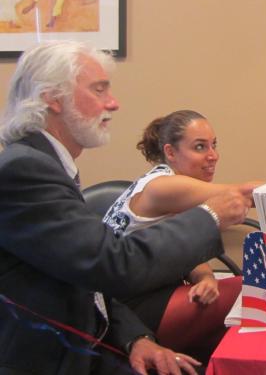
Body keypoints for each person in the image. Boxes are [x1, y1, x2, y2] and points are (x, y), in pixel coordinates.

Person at [0, 40, 253, 375]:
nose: (113, 103)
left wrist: (137, 338)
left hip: (94, 339)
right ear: (52, 98)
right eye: (99, 90)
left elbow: (82, 280)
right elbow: (112, 263)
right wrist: (210, 216)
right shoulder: (24, 169)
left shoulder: (43, 162)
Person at [102, 109, 266, 359]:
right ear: (170, 152)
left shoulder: (167, 184)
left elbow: (179, 247)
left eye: (214, 145)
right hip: (124, 313)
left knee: (237, 317)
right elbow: (247, 193)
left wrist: (206, 277)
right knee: (258, 292)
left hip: (151, 293)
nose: (213, 156)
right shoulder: (162, 187)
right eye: (200, 147)